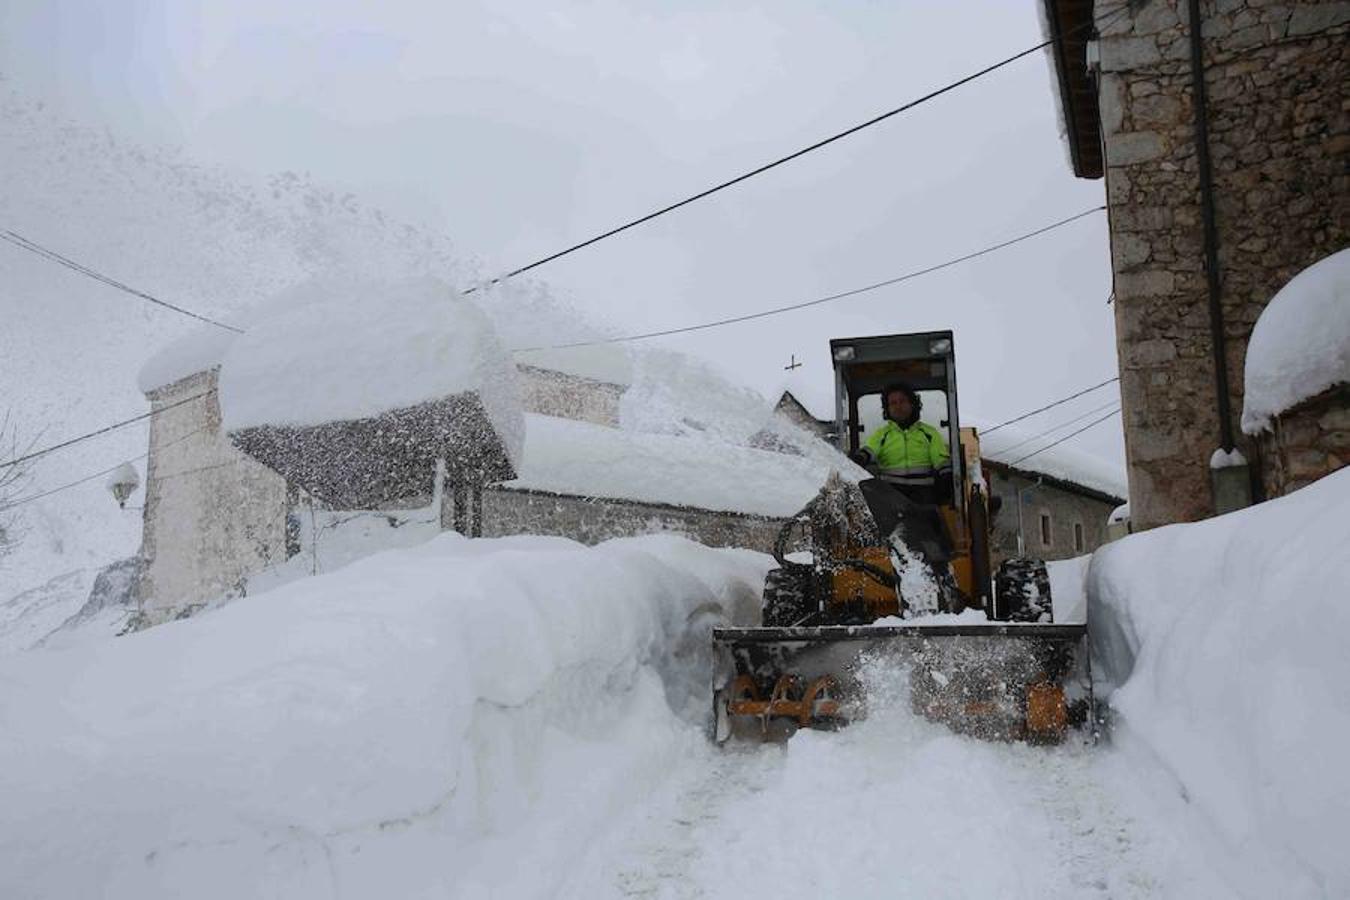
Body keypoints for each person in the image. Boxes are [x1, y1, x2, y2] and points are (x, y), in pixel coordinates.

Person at [849, 382, 952, 502]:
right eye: (893, 403)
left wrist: (946, 476)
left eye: (902, 401)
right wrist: (860, 457)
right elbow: (869, 450)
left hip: (924, 493)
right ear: (887, 409)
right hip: (891, 494)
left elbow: (940, 459)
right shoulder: (882, 434)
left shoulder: (929, 433)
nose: (898, 406)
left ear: (912, 404)